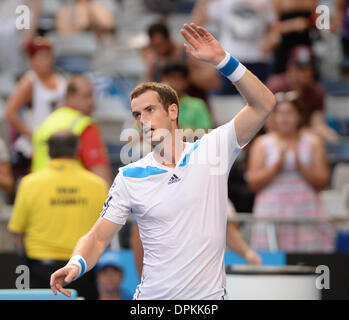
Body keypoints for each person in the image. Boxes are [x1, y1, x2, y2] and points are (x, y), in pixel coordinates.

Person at [50, 23, 276, 300]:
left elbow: (264, 104)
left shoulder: (212, 149)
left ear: (172, 111)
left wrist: (222, 61)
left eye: (149, 110)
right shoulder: (129, 176)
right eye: (136, 115)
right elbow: (98, 237)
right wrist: (76, 263)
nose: (142, 120)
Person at [7, 131, 108, 299]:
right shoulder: (98, 184)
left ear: (48, 151)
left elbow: (17, 231)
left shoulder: (30, 183)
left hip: (42, 270)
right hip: (83, 267)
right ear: (77, 149)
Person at [247, 92, 334, 253]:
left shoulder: (313, 141)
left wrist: (302, 166)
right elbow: (253, 183)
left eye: (289, 113)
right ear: (272, 117)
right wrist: (275, 166)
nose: (284, 118)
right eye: (279, 113)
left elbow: (323, 181)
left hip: (306, 210)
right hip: (272, 210)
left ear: (299, 116)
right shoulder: (261, 143)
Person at [130, 200, 262, 279]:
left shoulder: (204, 187)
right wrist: (145, 280)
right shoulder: (153, 192)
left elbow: (222, 225)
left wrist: (247, 252)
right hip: (166, 279)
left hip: (199, 278)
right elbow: (139, 237)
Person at [31, 74, 113, 186]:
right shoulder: (84, 126)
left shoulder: (47, 122)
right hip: (74, 197)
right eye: (86, 96)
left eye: (93, 96)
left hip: (41, 193)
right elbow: (101, 177)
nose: (92, 102)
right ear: (70, 97)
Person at [191, 0, 276, 94]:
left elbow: (273, 26)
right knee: (229, 100)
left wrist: (270, 41)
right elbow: (199, 21)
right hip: (230, 58)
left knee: (259, 98)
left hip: (258, 58)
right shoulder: (223, 2)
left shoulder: (265, 1)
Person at [5, 36, 66, 157]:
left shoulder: (61, 80)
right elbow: (9, 112)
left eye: (47, 56)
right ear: (31, 60)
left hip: (59, 141)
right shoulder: (29, 82)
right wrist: (32, 136)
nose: (45, 61)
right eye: (40, 57)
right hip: (37, 145)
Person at [266, 45, 340, 143]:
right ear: (290, 67)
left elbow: (318, 123)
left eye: (309, 68)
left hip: (302, 140)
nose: (306, 73)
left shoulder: (316, 91)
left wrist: (330, 135)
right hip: (274, 138)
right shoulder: (275, 86)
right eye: (300, 68)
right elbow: (269, 124)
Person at [140, 22, 220, 103]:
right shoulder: (155, 62)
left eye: (161, 44)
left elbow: (214, 83)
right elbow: (149, 90)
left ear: (168, 39)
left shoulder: (189, 54)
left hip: (196, 109)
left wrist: (182, 70)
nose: (159, 49)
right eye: (155, 46)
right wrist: (151, 66)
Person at [161, 61, 213, 134]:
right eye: (172, 78)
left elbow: (207, 132)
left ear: (186, 81)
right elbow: (141, 135)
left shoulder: (198, 105)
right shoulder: (153, 105)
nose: (175, 83)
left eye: (179, 78)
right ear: (164, 79)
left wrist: (184, 132)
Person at [268, 0, 318, 74]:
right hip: (285, 49)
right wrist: (292, 25)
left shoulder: (311, 2)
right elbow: (271, 28)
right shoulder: (277, 2)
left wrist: (312, 23)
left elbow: (318, 21)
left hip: (305, 46)